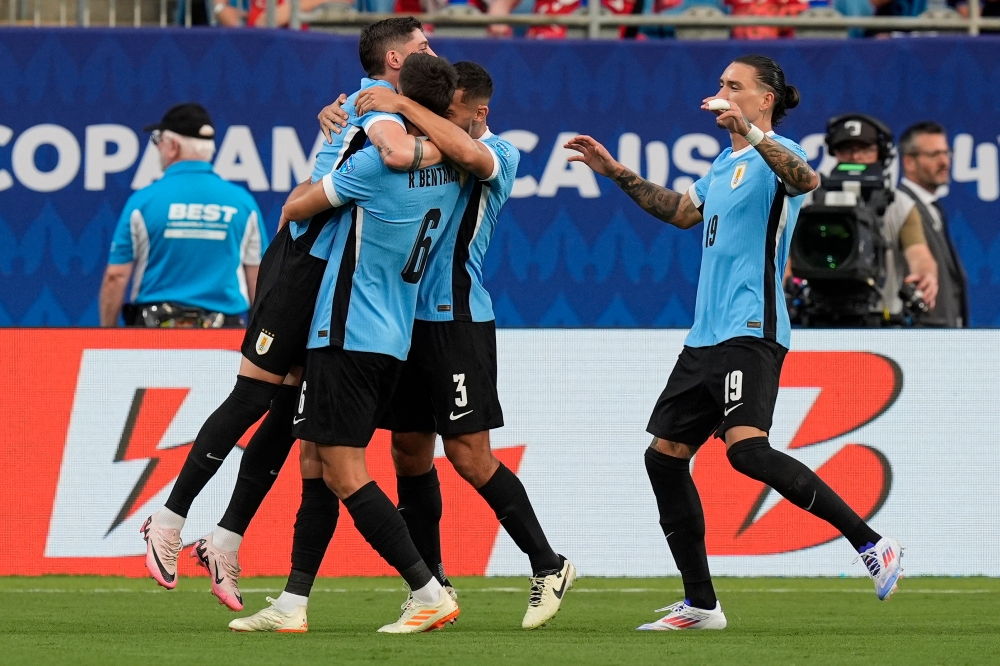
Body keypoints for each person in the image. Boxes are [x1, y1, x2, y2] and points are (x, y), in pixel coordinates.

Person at [565, 54, 903, 631]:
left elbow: (807, 181)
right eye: (721, 84)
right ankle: (701, 605)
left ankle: (872, 543)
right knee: (663, 458)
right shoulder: (722, 166)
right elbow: (678, 212)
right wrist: (615, 171)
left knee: (746, 450)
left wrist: (748, 131)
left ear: (765, 98)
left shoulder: (780, 156)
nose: (720, 92)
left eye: (734, 85)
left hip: (752, 327)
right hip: (705, 335)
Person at [139, 17, 440, 609]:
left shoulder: (382, 104)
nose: (433, 52)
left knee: (288, 413)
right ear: (395, 60)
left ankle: (224, 538)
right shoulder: (374, 104)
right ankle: (168, 520)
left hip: (332, 276)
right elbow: (399, 153)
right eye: (423, 47)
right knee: (252, 396)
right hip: (301, 261)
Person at [232, 54, 464, 635]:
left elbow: (295, 207)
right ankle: (293, 603)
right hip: (393, 332)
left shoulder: (372, 167)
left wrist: (330, 147)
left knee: (341, 469)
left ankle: (427, 587)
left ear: (398, 99)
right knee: (313, 460)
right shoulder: (459, 166)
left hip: (346, 329)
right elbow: (446, 148)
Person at [350, 61, 576, 630]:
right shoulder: (427, 144)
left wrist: (400, 104)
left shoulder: (498, 152)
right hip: (404, 321)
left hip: (458, 320)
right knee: (407, 450)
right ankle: (431, 586)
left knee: (470, 456)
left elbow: (464, 152)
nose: (434, 122)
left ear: (477, 112)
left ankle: (548, 564)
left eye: (445, 113)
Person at [99, 103, 266, 329]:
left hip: (153, 334)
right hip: (223, 334)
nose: (157, 148)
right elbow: (259, 280)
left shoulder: (143, 202)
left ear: (173, 146)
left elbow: (115, 277)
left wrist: (106, 335)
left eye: (157, 141)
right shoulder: (243, 203)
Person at [823, 114, 938, 321]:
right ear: (835, 153)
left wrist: (925, 275)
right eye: (846, 149)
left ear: (881, 153)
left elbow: (919, 254)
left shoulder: (899, 204)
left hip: (880, 318)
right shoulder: (810, 201)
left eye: (865, 149)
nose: (855, 157)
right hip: (820, 315)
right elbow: (787, 259)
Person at [898, 121, 969, 328]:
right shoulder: (898, 206)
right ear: (909, 162)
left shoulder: (935, 208)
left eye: (946, 153)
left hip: (945, 333)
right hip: (920, 333)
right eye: (934, 155)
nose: (944, 162)